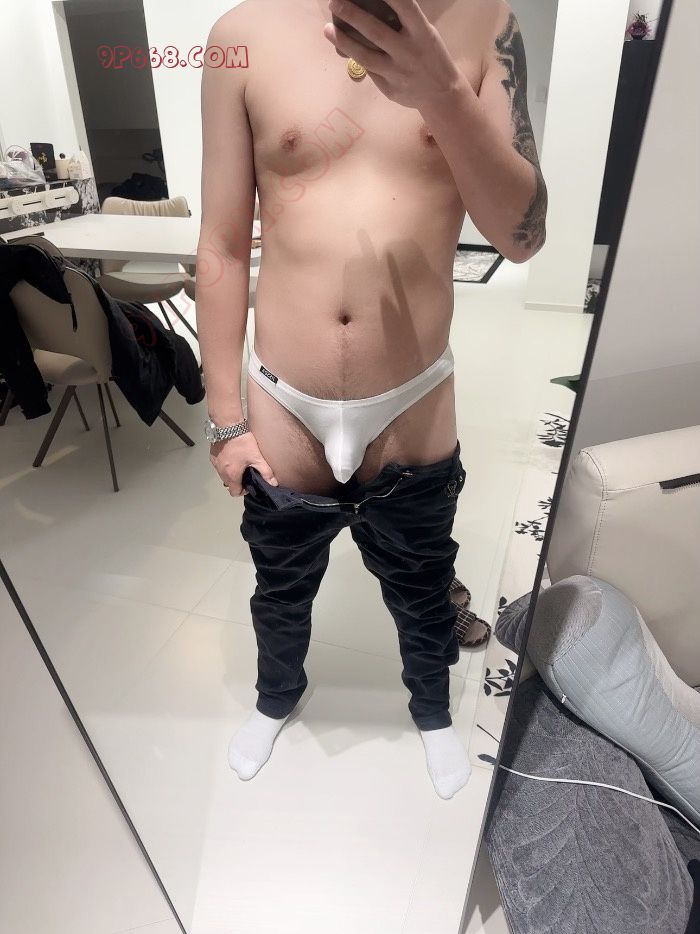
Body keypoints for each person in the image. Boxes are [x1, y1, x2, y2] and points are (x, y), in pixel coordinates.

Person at [197, 0, 547, 799]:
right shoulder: (240, 37)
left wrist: (443, 96)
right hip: (283, 397)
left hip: (414, 395)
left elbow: (521, 238)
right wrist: (224, 421)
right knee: (280, 584)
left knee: (423, 581)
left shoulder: (485, 21)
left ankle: (431, 709)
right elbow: (221, 243)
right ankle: (276, 696)